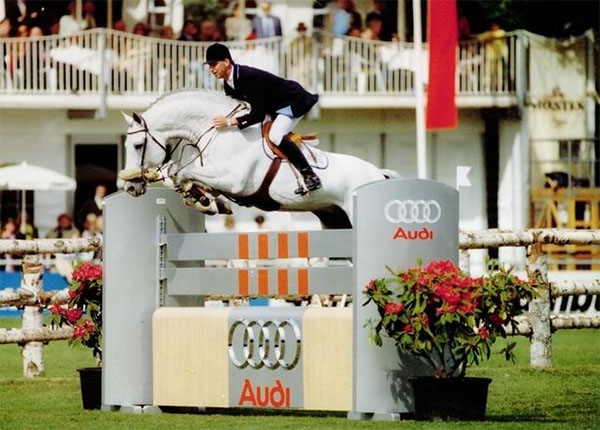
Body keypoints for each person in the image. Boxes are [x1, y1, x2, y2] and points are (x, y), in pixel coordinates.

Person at [205, 43, 322, 195]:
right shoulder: (228, 84)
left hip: (291, 101)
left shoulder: (248, 77)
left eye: (214, 64)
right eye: (209, 66)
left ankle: (310, 175)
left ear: (226, 62)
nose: (211, 69)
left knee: (275, 135)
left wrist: (228, 122)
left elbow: (258, 114)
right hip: (272, 107)